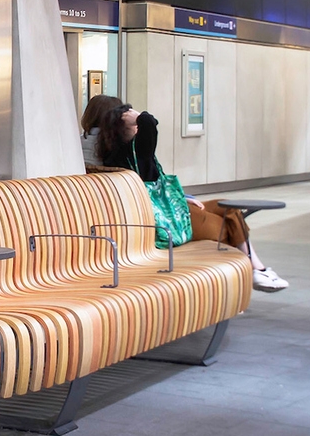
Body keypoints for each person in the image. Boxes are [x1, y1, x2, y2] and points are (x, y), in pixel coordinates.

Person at [79, 96, 287, 291]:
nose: (137, 127)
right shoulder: (132, 152)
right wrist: (139, 116)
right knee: (229, 221)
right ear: (119, 126)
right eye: (132, 124)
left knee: (227, 207)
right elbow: (150, 125)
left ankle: (254, 271)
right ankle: (255, 270)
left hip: (157, 207)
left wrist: (186, 198)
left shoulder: (99, 148)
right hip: (162, 216)